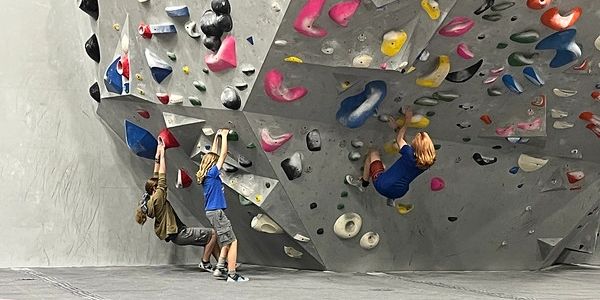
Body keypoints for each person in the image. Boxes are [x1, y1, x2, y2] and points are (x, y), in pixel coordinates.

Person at [135, 140, 220, 272]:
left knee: (208, 237)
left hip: (177, 234)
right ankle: (205, 262)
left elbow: (156, 175)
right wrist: (163, 154)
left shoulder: (150, 199)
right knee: (213, 234)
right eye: (158, 186)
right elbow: (162, 175)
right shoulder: (158, 197)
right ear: (155, 189)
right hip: (180, 234)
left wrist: (158, 150)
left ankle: (222, 264)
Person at [346, 106, 436, 201]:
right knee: (387, 170)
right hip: (399, 193)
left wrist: (407, 121)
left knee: (373, 153)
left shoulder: (409, 154)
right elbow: (404, 143)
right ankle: (391, 198)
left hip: (382, 185)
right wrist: (397, 128)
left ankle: (363, 183)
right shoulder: (428, 162)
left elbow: (399, 140)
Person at [196, 129, 248, 282]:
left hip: (212, 212)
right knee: (232, 241)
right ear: (212, 164)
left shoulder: (206, 174)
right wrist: (225, 137)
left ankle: (219, 268)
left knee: (226, 240)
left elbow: (214, 153)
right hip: (216, 212)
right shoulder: (212, 173)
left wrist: (217, 136)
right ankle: (232, 274)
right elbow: (223, 154)